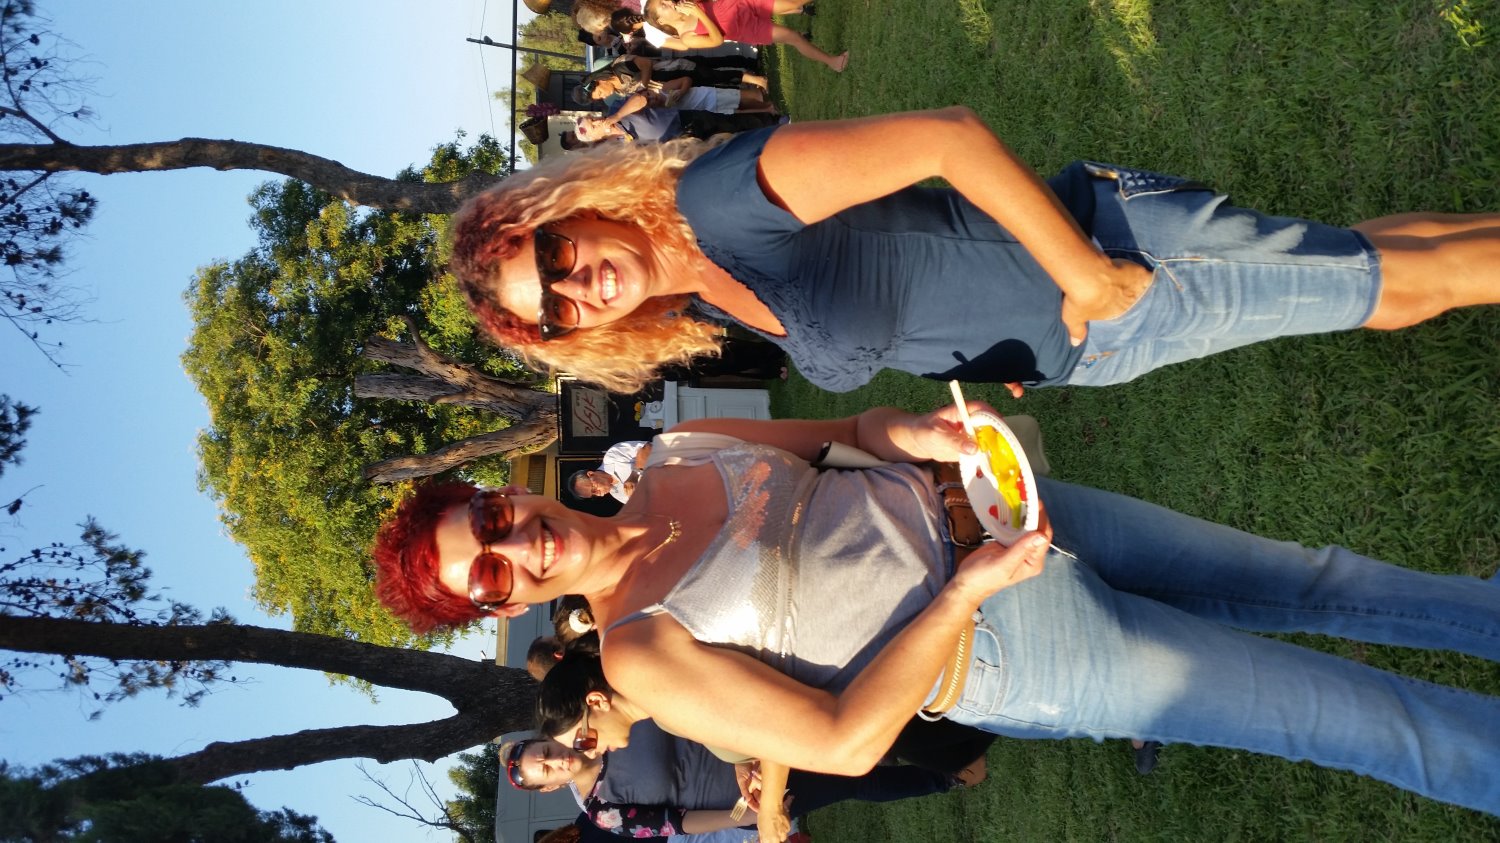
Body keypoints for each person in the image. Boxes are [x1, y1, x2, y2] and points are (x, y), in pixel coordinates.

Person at [372, 402, 1500, 832]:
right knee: (1342, 716)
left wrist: (917, 437)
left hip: (1009, 511)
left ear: (503, 489)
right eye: (490, 576)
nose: (518, 543)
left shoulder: (675, 449)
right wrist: (966, 593)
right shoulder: (639, 651)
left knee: (1315, 577)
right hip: (1009, 643)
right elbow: (841, 740)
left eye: (490, 517)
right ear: (503, 606)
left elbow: (842, 436)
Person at [448, 107, 1500, 395]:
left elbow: (947, 139)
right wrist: (995, 358)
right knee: (1373, 267)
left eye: (554, 255)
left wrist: (1084, 276)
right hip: (1086, 341)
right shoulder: (704, 299)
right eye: (557, 311)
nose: (578, 286)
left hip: (1123, 265)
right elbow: (902, 290)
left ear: (570, 208)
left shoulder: (717, 204)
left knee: (1393, 290)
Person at [500, 712, 962, 838]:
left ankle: (943, 726)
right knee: (855, 781)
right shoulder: (603, 813)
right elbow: (677, 823)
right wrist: (752, 817)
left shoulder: (597, 722)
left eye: (546, 753)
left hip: (750, 730)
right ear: (551, 786)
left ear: (549, 741)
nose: (556, 761)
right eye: (546, 771)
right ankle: (946, 777)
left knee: (846, 726)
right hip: (753, 795)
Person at [644, 0, 846, 73]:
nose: (669, 2)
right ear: (661, 20)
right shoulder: (686, 37)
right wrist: (698, 13)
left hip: (744, 3)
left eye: (665, 0)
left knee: (794, 3)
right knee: (793, 36)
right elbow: (717, 40)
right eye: (663, 5)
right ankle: (833, 62)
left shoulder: (686, 4)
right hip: (746, 28)